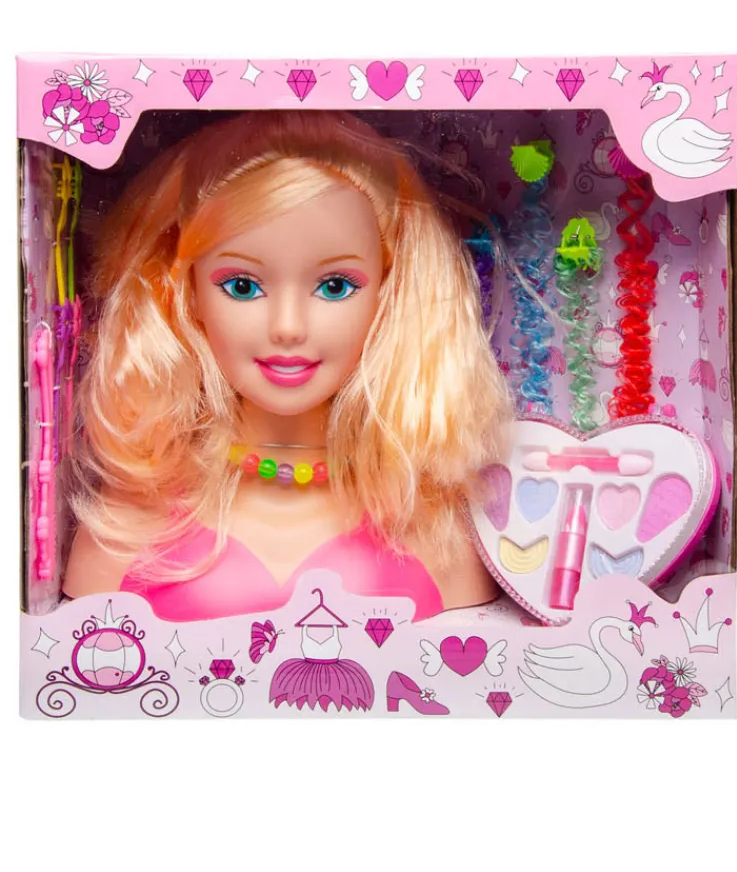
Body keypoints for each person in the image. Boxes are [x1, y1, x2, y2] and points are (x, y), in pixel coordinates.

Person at [63, 110, 510, 628]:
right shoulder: (128, 529)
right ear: (187, 293)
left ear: (388, 294)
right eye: (242, 286)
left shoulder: (435, 532)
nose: (288, 327)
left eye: (335, 286)